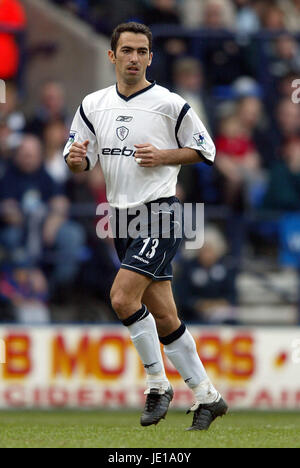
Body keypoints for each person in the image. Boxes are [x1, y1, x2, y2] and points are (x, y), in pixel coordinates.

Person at [63, 22, 228, 431]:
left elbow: (206, 151)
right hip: (120, 217)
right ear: (112, 56)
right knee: (165, 316)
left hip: (162, 212)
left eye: (141, 51)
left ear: (150, 57)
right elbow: (80, 159)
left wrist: (166, 156)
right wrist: (77, 159)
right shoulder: (92, 104)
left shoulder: (170, 104)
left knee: (121, 298)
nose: (134, 58)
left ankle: (158, 385)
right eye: (127, 51)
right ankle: (208, 396)